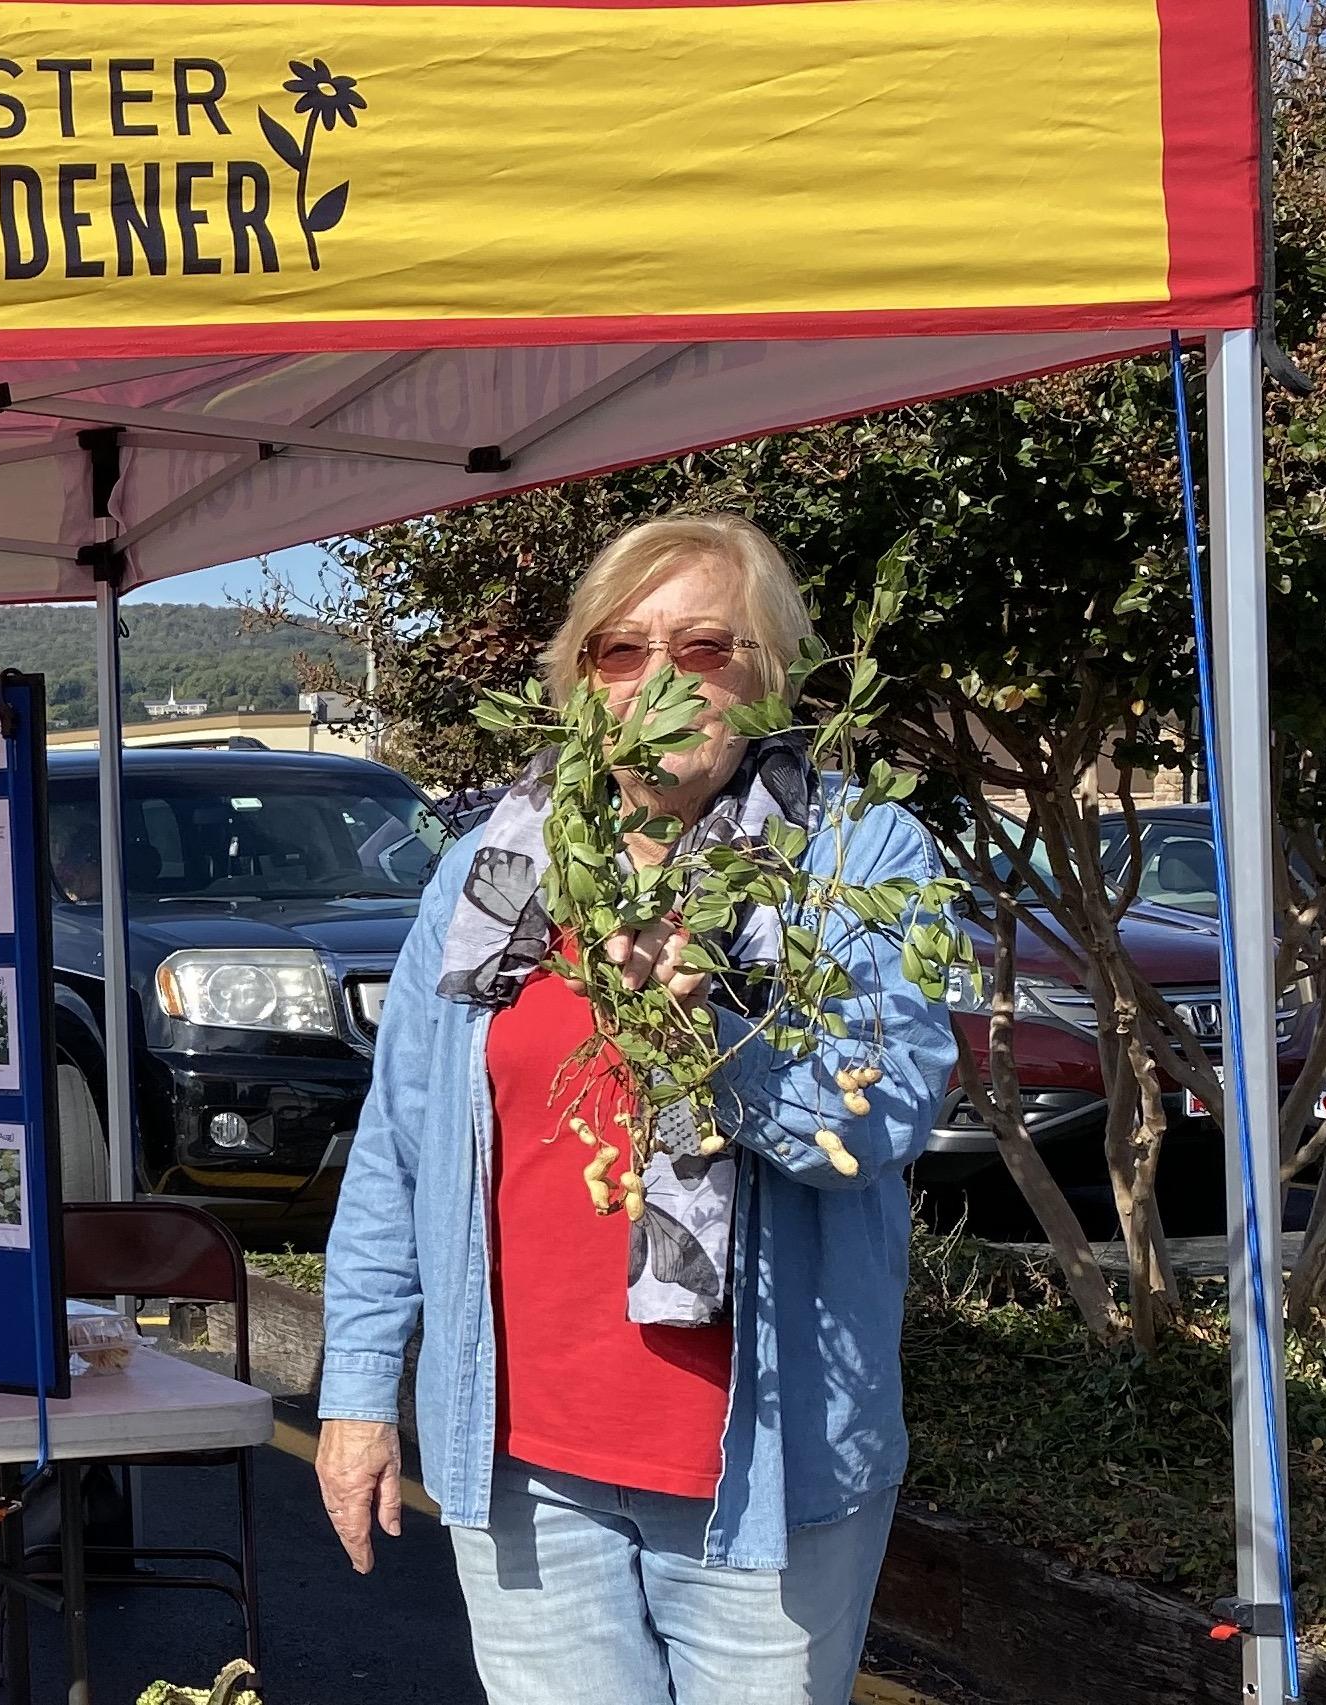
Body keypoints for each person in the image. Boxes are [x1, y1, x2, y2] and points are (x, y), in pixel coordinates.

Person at [314, 515, 957, 1704]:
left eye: (704, 646)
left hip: (757, 1471)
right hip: (523, 1465)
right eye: (619, 650)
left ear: (771, 677)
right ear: (577, 679)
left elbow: (885, 1115)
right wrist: (357, 1392)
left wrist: (713, 1035)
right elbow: (400, 1149)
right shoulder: (493, 870)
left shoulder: (854, 854)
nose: (657, 678)